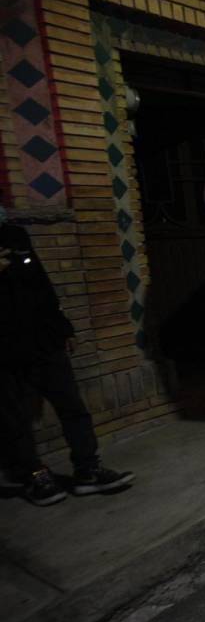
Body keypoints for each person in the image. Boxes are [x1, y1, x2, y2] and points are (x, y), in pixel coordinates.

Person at [0, 206, 134, 506]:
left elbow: (40, 285)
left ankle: (88, 469)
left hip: (42, 340)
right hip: (4, 351)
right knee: (14, 418)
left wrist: (63, 327)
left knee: (72, 406)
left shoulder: (14, 235)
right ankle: (34, 476)